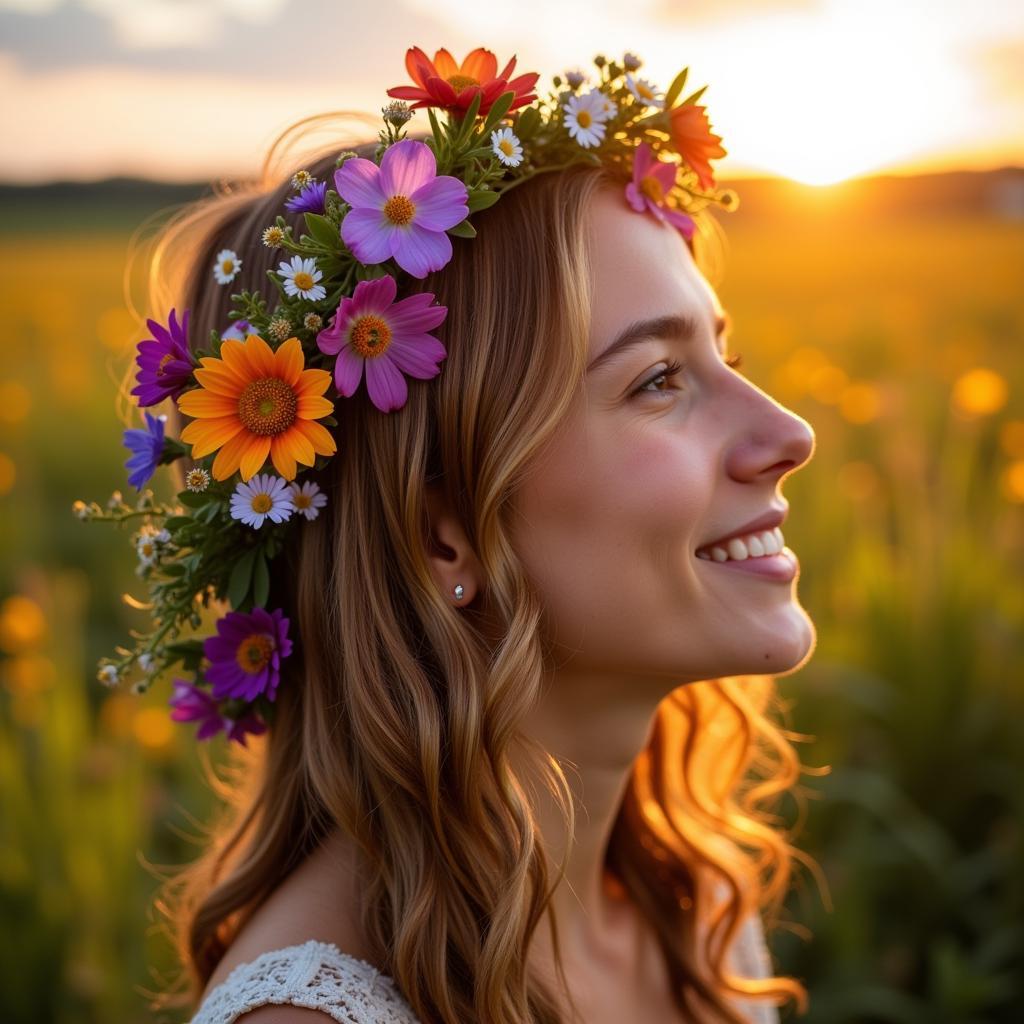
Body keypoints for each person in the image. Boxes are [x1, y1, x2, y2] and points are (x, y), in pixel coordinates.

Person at [94, 47, 818, 1024]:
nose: (788, 434)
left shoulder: (686, 904)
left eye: (723, 354)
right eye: (656, 380)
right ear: (445, 539)